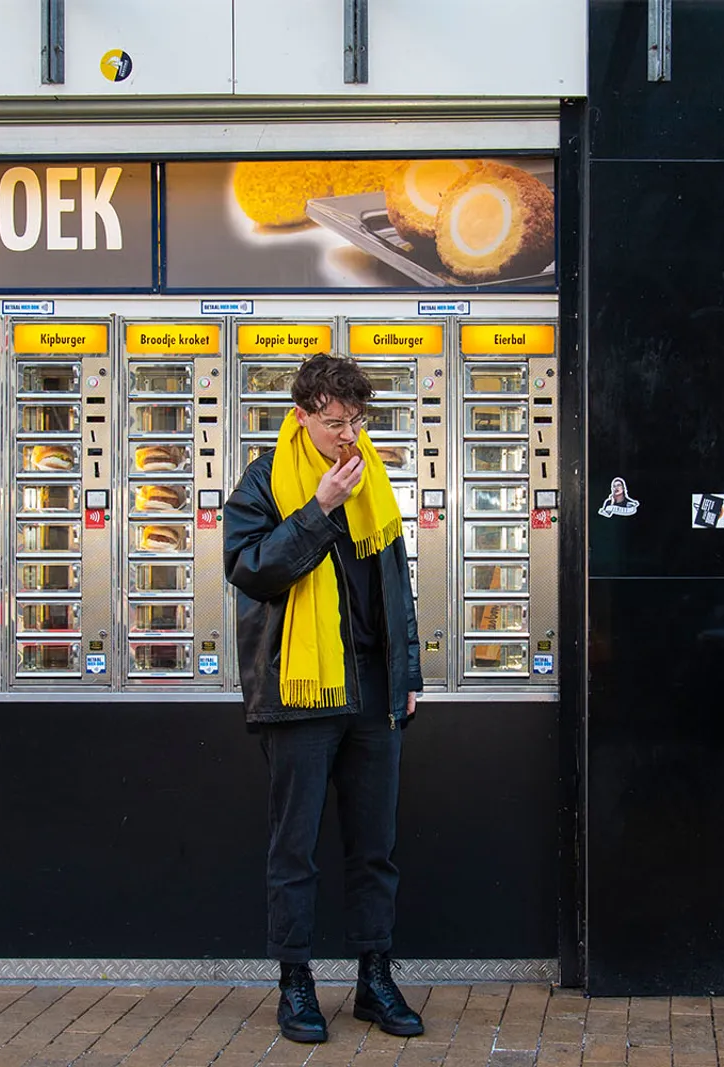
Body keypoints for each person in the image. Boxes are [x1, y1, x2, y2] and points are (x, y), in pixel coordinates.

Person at [223, 354, 425, 1044]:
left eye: (355, 420)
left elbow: (395, 583)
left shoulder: (372, 478)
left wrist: (409, 676)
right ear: (303, 414)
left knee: (375, 845)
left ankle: (375, 977)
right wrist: (318, 511)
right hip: (300, 689)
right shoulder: (263, 482)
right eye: (335, 422)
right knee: (296, 848)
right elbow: (251, 569)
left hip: (372, 687)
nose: (348, 434)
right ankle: (296, 981)